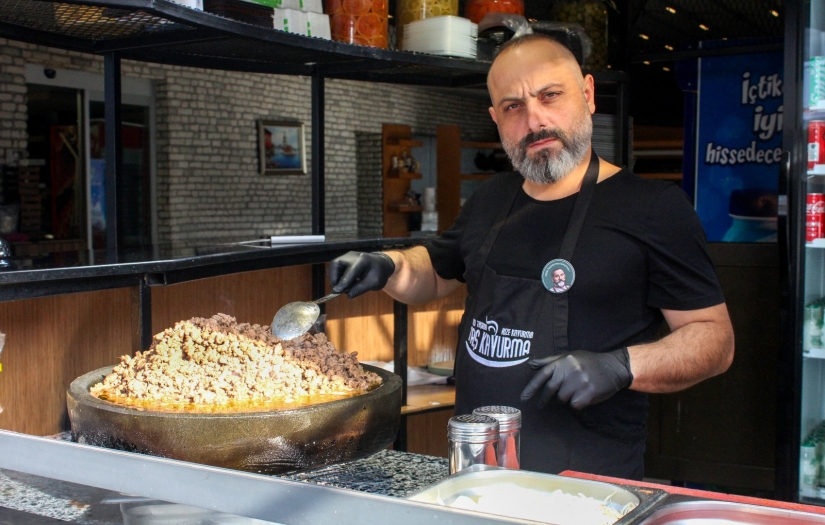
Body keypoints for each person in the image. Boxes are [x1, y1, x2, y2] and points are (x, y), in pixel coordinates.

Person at [327, 33, 734, 480]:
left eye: (550, 95)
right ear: (496, 118)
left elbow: (714, 340)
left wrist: (623, 366)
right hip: (479, 476)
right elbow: (437, 272)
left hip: (584, 486)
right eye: (513, 106)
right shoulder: (491, 199)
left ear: (588, 94)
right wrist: (388, 265)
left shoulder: (652, 208)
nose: (535, 120)